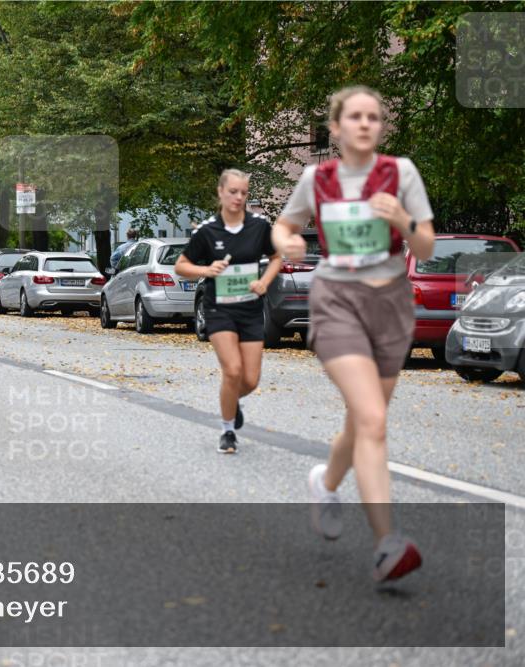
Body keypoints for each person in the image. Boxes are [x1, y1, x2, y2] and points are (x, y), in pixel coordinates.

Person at [272, 86, 435, 582]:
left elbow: (424, 247)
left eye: (374, 117)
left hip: (388, 304)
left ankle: (326, 480)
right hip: (337, 302)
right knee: (371, 419)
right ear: (336, 128)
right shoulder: (314, 178)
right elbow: (283, 226)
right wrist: (290, 242)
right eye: (355, 117)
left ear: (380, 127)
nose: (365, 124)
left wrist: (402, 220)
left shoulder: (400, 173)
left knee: (365, 418)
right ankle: (387, 543)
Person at [175, 169, 281, 454]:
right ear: (221, 192)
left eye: (243, 193)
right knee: (232, 371)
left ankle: (231, 401)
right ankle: (227, 431)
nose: (238, 197)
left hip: (249, 309)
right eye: (233, 192)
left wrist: (264, 282)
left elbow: (276, 258)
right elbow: (181, 266)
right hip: (218, 308)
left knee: (250, 379)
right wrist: (206, 269)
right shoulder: (207, 231)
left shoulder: (259, 226)